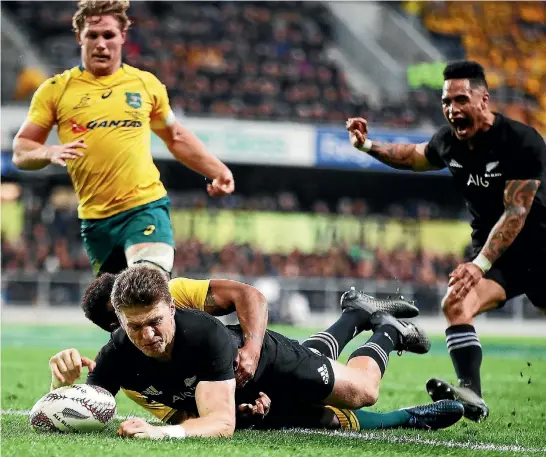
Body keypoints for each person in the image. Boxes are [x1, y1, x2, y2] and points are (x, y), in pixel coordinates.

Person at [346, 60, 546, 422]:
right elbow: (411, 156)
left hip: (541, 250)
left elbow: (517, 211)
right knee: (455, 305)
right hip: (499, 260)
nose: (452, 109)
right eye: (446, 102)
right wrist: (367, 145)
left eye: (460, 100)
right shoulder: (449, 143)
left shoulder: (521, 141)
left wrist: (478, 264)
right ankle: (472, 395)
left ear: (483, 100)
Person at [47, 266, 458, 439]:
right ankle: (358, 319)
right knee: (326, 422)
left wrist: (252, 346)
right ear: (118, 323)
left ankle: (386, 332)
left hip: (263, 359)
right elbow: (195, 416)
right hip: (230, 390)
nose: (147, 335)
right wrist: (60, 388)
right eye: (131, 326)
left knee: (362, 390)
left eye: (155, 321)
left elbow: (249, 296)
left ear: (171, 306)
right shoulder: (118, 353)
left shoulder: (197, 321)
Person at [12, 0, 235, 278]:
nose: (101, 44)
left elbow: (175, 136)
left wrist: (218, 170)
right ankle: (194, 316)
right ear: (79, 38)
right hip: (96, 221)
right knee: (117, 314)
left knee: (147, 285)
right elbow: (21, 151)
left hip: (145, 207)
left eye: (109, 35)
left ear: (123, 37)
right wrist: (48, 152)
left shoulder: (145, 85)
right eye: (93, 36)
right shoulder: (55, 90)